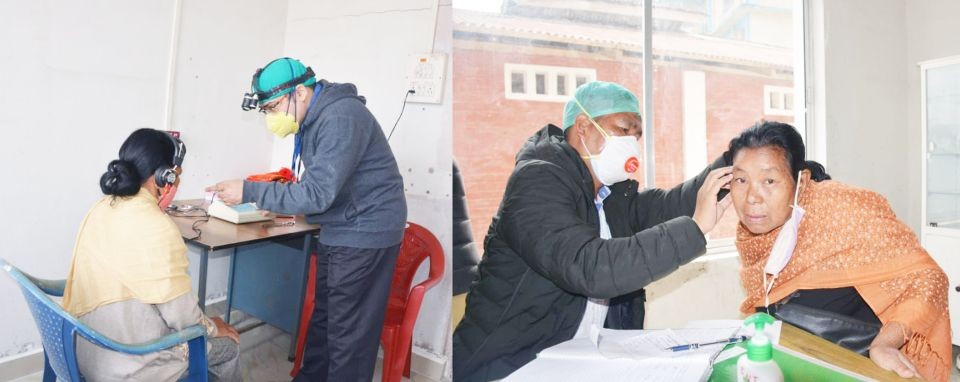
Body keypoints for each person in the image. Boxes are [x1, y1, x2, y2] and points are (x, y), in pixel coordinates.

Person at [452, 81, 734, 381]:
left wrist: (734, 161)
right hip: (510, 365)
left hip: (577, 360)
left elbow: (672, 205)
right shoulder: (536, 181)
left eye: (637, 135)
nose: (632, 142)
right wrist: (696, 228)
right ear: (584, 126)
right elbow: (591, 267)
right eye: (624, 129)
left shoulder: (610, 196)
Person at [207, 57, 407, 381]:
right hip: (341, 226)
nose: (271, 117)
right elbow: (319, 189)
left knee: (349, 337)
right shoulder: (315, 119)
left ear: (299, 93)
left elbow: (317, 194)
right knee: (326, 321)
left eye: (273, 107)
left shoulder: (340, 117)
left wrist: (249, 191)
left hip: (364, 232)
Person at [728, 121, 952, 382]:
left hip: (858, 365)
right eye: (740, 180)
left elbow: (929, 277)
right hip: (797, 355)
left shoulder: (841, 210)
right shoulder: (753, 232)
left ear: (801, 181)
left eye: (769, 180)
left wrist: (886, 343)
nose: (752, 197)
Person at [62, 128, 241, 381]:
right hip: (130, 367)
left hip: (84, 350)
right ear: (163, 176)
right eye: (176, 175)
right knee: (229, 347)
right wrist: (212, 326)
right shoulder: (156, 225)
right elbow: (183, 318)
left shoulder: (101, 208)